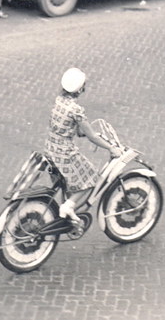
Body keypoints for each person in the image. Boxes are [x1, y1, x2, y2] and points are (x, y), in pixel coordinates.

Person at [45, 68, 122, 230]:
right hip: (64, 152)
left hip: (50, 148)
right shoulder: (76, 110)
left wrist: (77, 130)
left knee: (70, 182)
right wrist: (111, 148)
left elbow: (69, 126)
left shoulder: (59, 100)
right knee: (91, 180)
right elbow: (92, 136)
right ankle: (68, 207)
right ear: (79, 89)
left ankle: (67, 211)